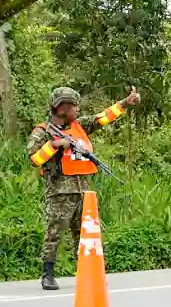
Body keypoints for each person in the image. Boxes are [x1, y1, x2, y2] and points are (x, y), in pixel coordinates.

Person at [27, 85, 141, 290]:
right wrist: (54, 145)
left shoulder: (79, 126)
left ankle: (87, 273)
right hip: (59, 191)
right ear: (62, 108)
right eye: (74, 107)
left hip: (83, 190)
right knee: (54, 233)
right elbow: (34, 158)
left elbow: (101, 118)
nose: (77, 111)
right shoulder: (42, 132)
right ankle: (48, 275)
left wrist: (124, 103)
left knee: (84, 234)